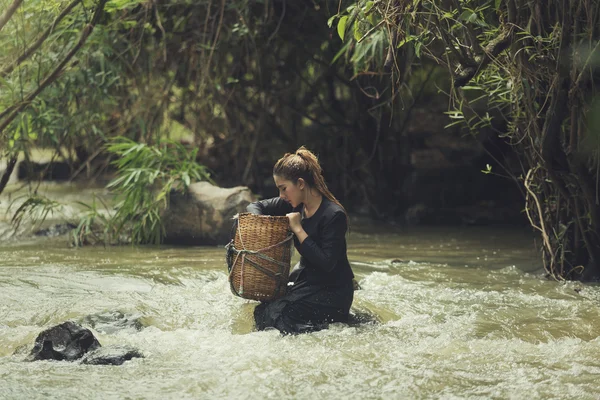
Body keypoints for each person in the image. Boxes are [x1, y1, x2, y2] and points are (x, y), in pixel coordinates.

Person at [247, 146, 355, 334]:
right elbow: (254, 205)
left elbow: (327, 263)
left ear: (301, 184)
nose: (281, 196)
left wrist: (298, 229)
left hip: (333, 292)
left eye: (283, 189)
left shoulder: (333, 215)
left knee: (280, 316)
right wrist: (262, 225)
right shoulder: (293, 204)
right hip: (307, 284)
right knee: (262, 310)